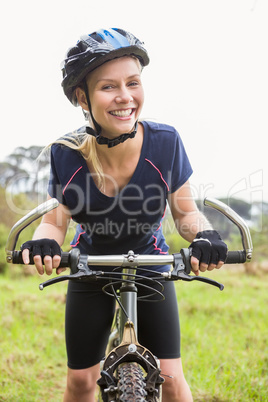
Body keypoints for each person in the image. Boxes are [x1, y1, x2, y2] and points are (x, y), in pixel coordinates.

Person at [21, 28, 227, 402]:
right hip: (90, 265)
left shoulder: (166, 142)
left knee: (170, 377)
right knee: (82, 381)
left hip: (151, 262)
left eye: (133, 83)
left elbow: (185, 213)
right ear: (82, 97)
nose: (125, 97)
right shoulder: (66, 153)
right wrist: (44, 243)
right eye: (108, 87)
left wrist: (205, 236)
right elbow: (55, 219)